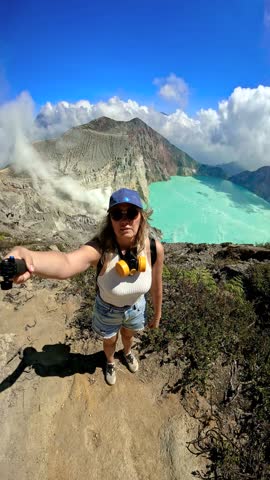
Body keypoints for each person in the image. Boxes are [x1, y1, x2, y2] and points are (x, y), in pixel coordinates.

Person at [6, 188, 164, 385]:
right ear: (110, 219)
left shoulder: (153, 249)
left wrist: (157, 315)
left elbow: (157, 286)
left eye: (131, 213)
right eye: (117, 214)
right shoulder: (100, 250)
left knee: (128, 335)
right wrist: (29, 257)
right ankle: (109, 361)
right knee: (108, 341)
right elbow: (66, 263)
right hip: (107, 310)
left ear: (141, 216)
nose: (125, 220)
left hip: (136, 307)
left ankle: (127, 352)